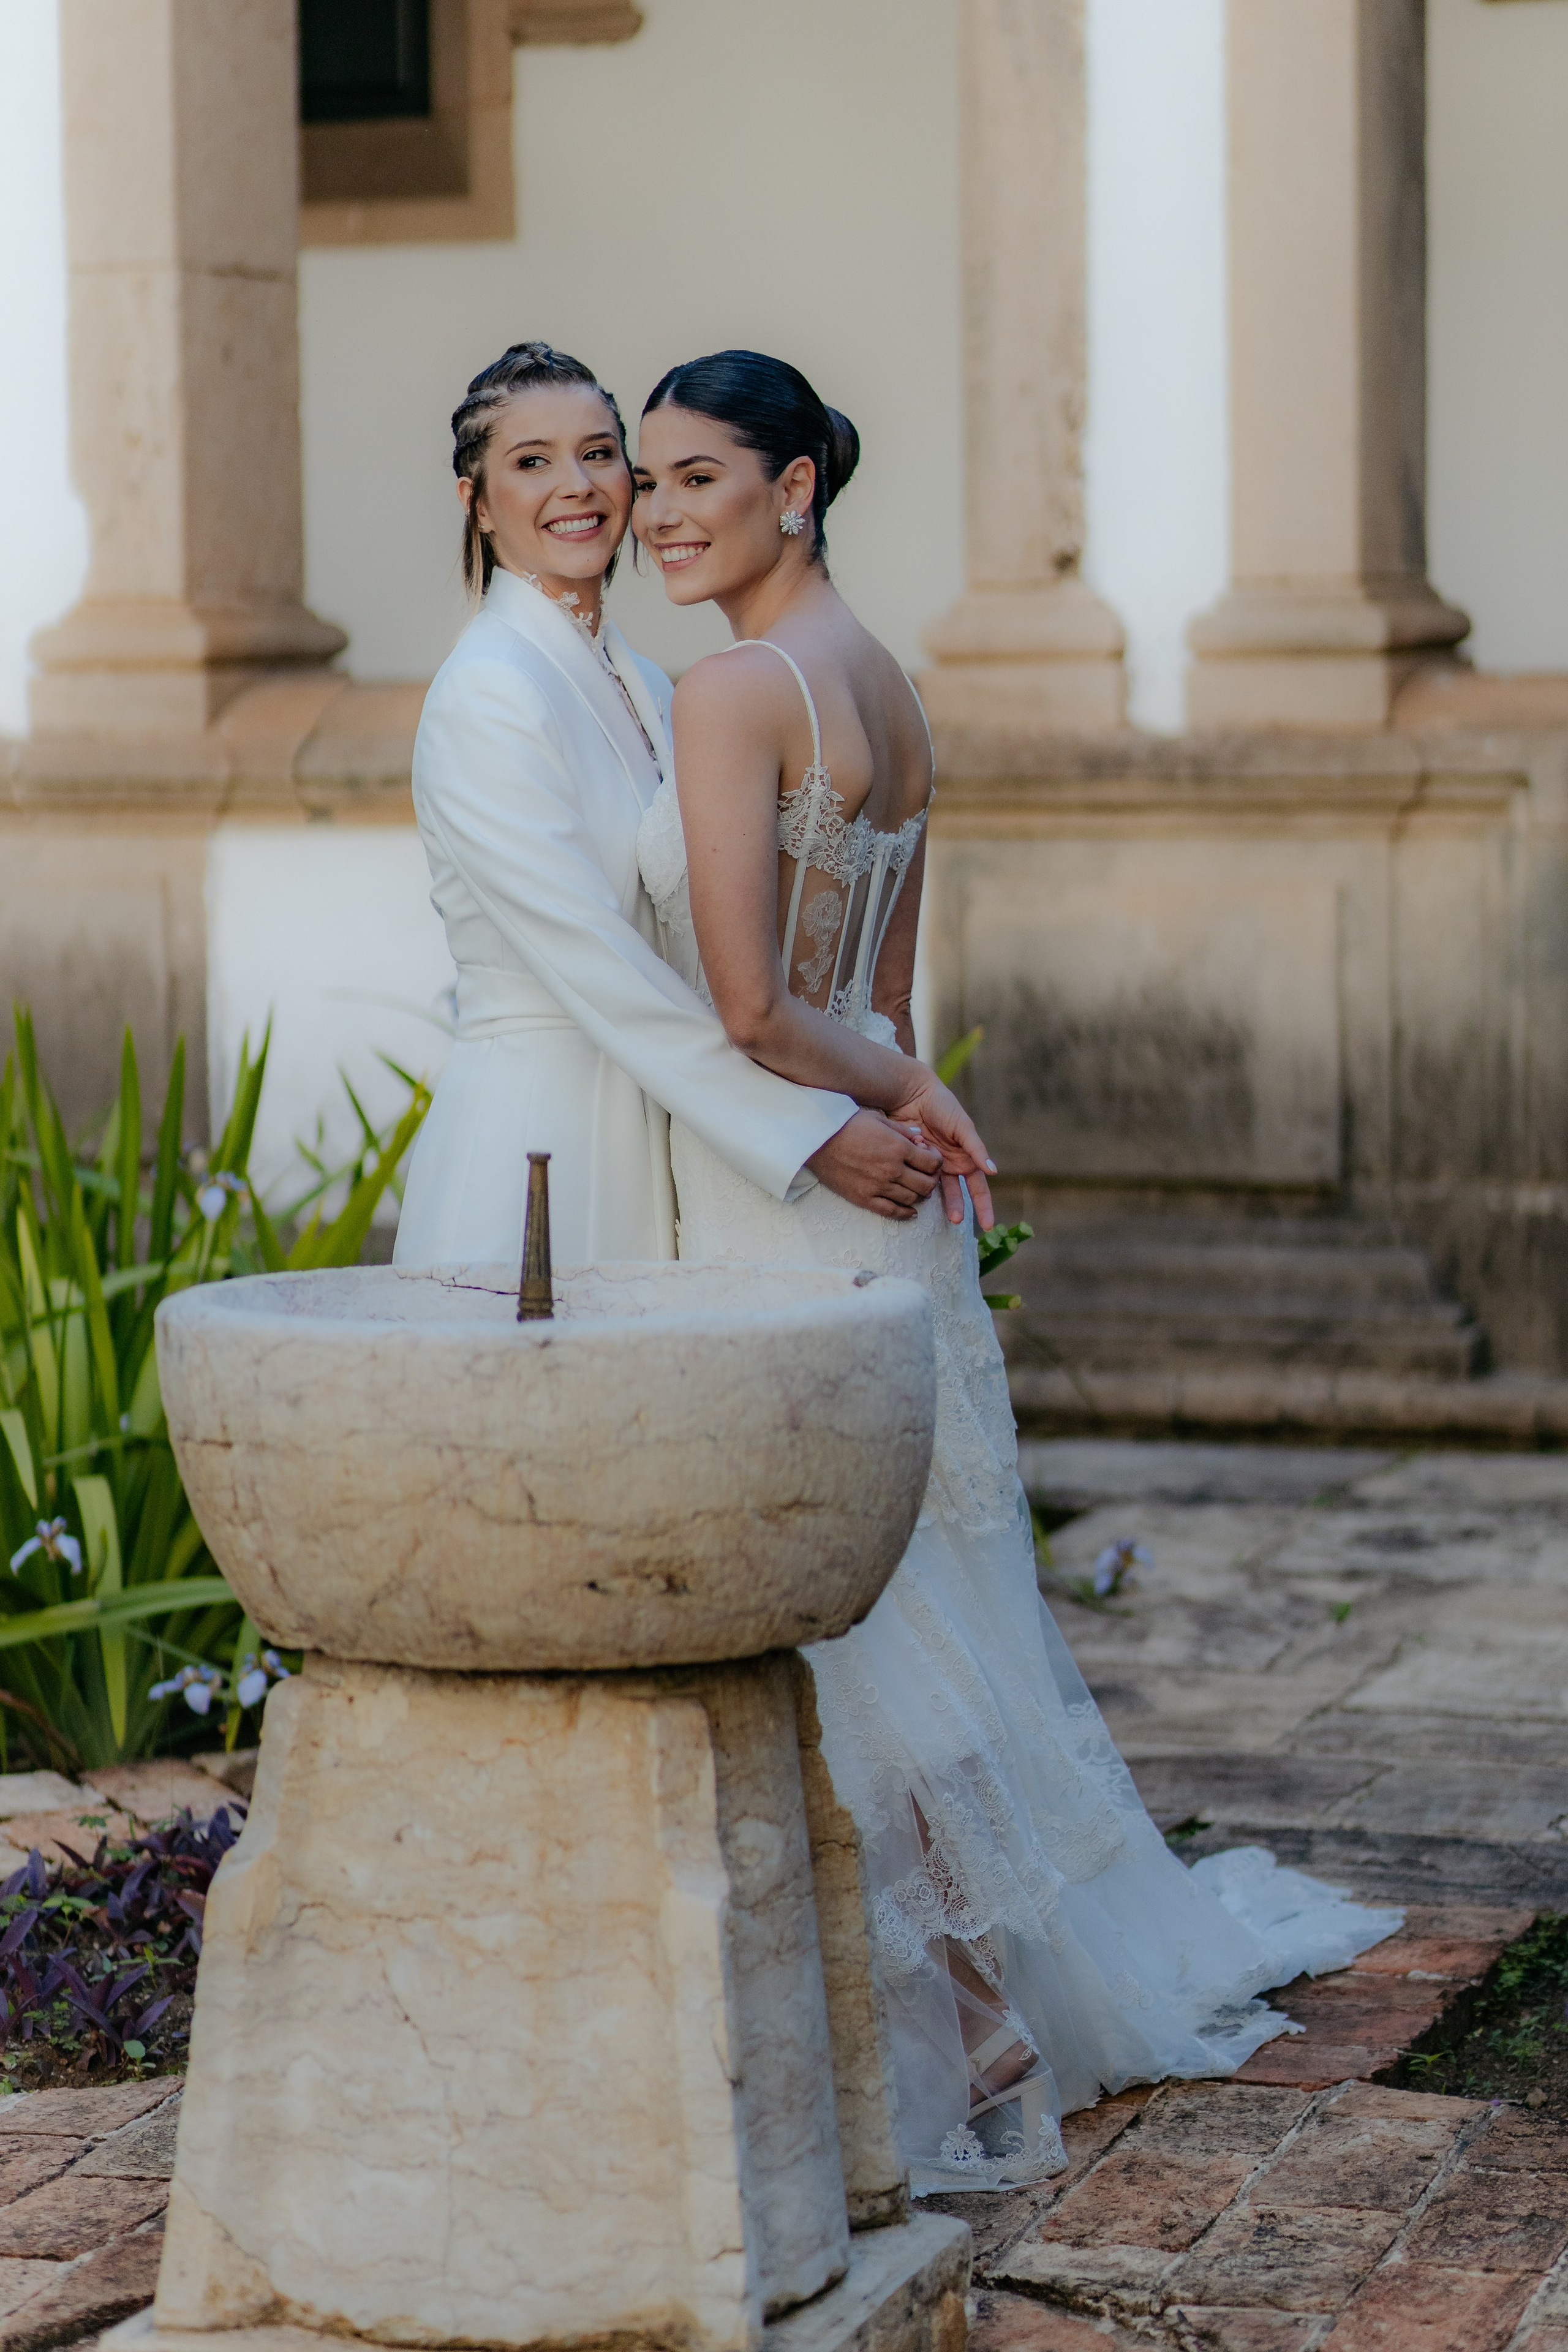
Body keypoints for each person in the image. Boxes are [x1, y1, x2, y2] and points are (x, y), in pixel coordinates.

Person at [631, 349, 1403, 2190]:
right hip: (883, 1201)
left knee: (855, 1629)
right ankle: (984, 1987)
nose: (661, 512)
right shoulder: (885, 686)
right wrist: (911, 1093)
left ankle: (964, 2014)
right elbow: (889, 991)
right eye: (645, 482)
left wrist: (882, 1093)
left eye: (695, 479)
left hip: (788, 1180)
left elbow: (751, 1006)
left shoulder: (737, 691)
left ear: (797, 483)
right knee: (931, 1613)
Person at [393, 341, 997, 1272]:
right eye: (531, 461)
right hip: (548, 1138)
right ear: (476, 500)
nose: (580, 486)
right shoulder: (488, 692)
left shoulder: (648, 683)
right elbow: (602, 965)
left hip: (683, 1127)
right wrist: (809, 1129)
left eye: (600, 455)